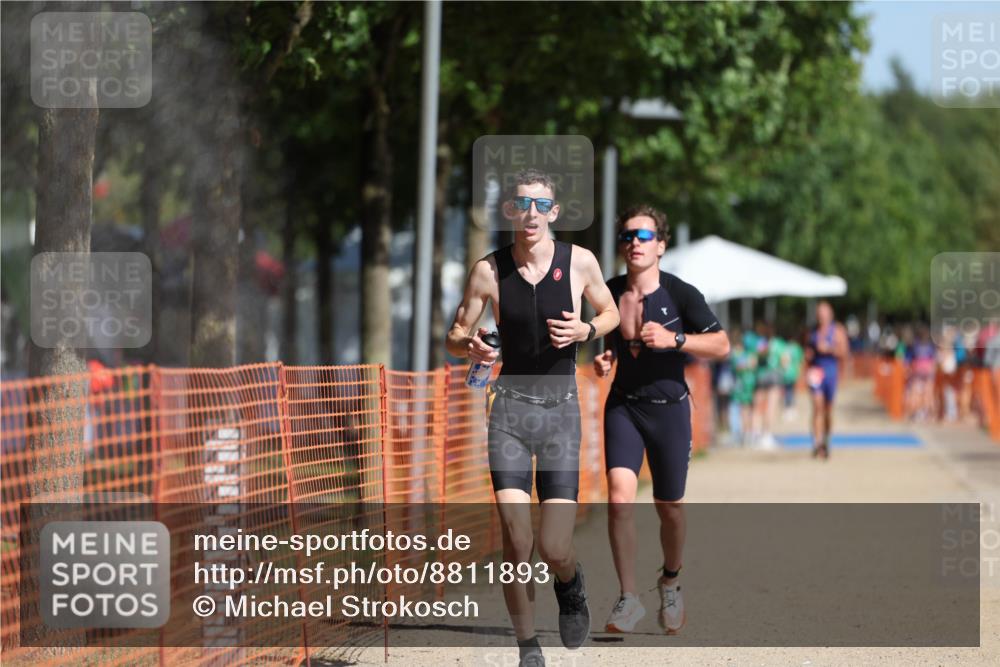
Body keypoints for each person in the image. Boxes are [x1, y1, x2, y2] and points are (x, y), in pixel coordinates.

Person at [446, 169, 619, 667]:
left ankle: (571, 583)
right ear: (509, 211)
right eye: (522, 204)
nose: (531, 214)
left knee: (553, 546)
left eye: (541, 205)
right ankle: (527, 646)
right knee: (517, 541)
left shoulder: (579, 262)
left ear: (554, 212)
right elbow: (454, 335)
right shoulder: (489, 270)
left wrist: (586, 330)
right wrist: (469, 344)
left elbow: (609, 313)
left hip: (561, 413)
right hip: (509, 413)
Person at [592, 204, 729, 635]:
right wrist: (605, 358)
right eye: (628, 236)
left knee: (669, 508)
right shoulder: (610, 291)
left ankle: (670, 581)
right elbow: (609, 342)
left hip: (669, 410)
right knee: (619, 499)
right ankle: (628, 598)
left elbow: (722, 344)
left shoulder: (681, 293)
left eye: (645, 236)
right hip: (624, 406)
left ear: (661, 246)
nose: (635, 242)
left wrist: (676, 339)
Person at [804, 300, 849, 459]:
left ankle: (826, 440)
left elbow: (844, 352)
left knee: (828, 410)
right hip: (816, 372)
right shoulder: (812, 332)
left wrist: (829, 349)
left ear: (830, 314)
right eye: (819, 313)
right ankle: (817, 443)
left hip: (831, 371)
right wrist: (808, 358)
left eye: (824, 313)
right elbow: (807, 352)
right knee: (817, 407)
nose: (821, 316)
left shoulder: (837, 331)